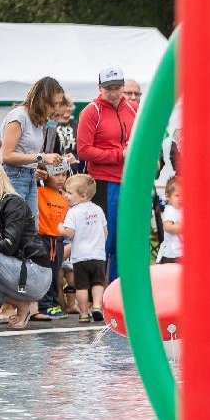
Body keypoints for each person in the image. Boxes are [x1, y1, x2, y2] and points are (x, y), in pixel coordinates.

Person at [77, 67, 138, 282]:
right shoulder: (91, 111)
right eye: (108, 88)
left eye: (118, 88)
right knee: (107, 240)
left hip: (130, 182)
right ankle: (100, 294)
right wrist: (119, 154)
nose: (114, 93)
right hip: (104, 182)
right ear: (99, 88)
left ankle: (121, 291)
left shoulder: (133, 108)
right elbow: (83, 151)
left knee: (127, 239)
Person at [0, 159, 54, 330]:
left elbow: (9, 245)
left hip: (35, 273)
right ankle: (22, 305)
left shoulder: (13, 202)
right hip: (21, 273)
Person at [1, 77, 69, 217]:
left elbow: (27, 154)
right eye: (53, 104)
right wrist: (41, 157)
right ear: (42, 99)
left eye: (58, 103)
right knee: (16, 227)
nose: (56, 108)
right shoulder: (19, 116)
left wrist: (43, 164)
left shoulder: (38, 120)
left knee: (31, 228)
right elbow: (7, 156)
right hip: (14, 177)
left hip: (30, 176)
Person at [58, 174, 109, 323]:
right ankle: (97, 306)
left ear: (82, 195)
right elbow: (105, 232)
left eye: (69, 193)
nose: (66, 195)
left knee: (81, 287)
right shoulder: (98, 210)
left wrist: (61, 229)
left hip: (80, 257)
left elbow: (70, 232)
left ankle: (84, 313)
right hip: (98, 256)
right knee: (98, 283)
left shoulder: (73, 212)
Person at [34, 163, 70, 319]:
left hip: (58, 241)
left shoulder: (66, 197)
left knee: (56, 273)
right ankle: (44, 305)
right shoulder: (39, 192)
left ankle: (53, 303)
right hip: (43, 239)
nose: (61, 178)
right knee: (45, 272)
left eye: (64, 174)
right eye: (57, 174)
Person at [158, 176, 183, 263]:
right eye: (177, 195)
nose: (181, 199)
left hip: (181, 253)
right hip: (171, 255)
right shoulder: (170, 209)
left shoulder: (182, 209)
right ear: (168, 196)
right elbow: (168, 227)